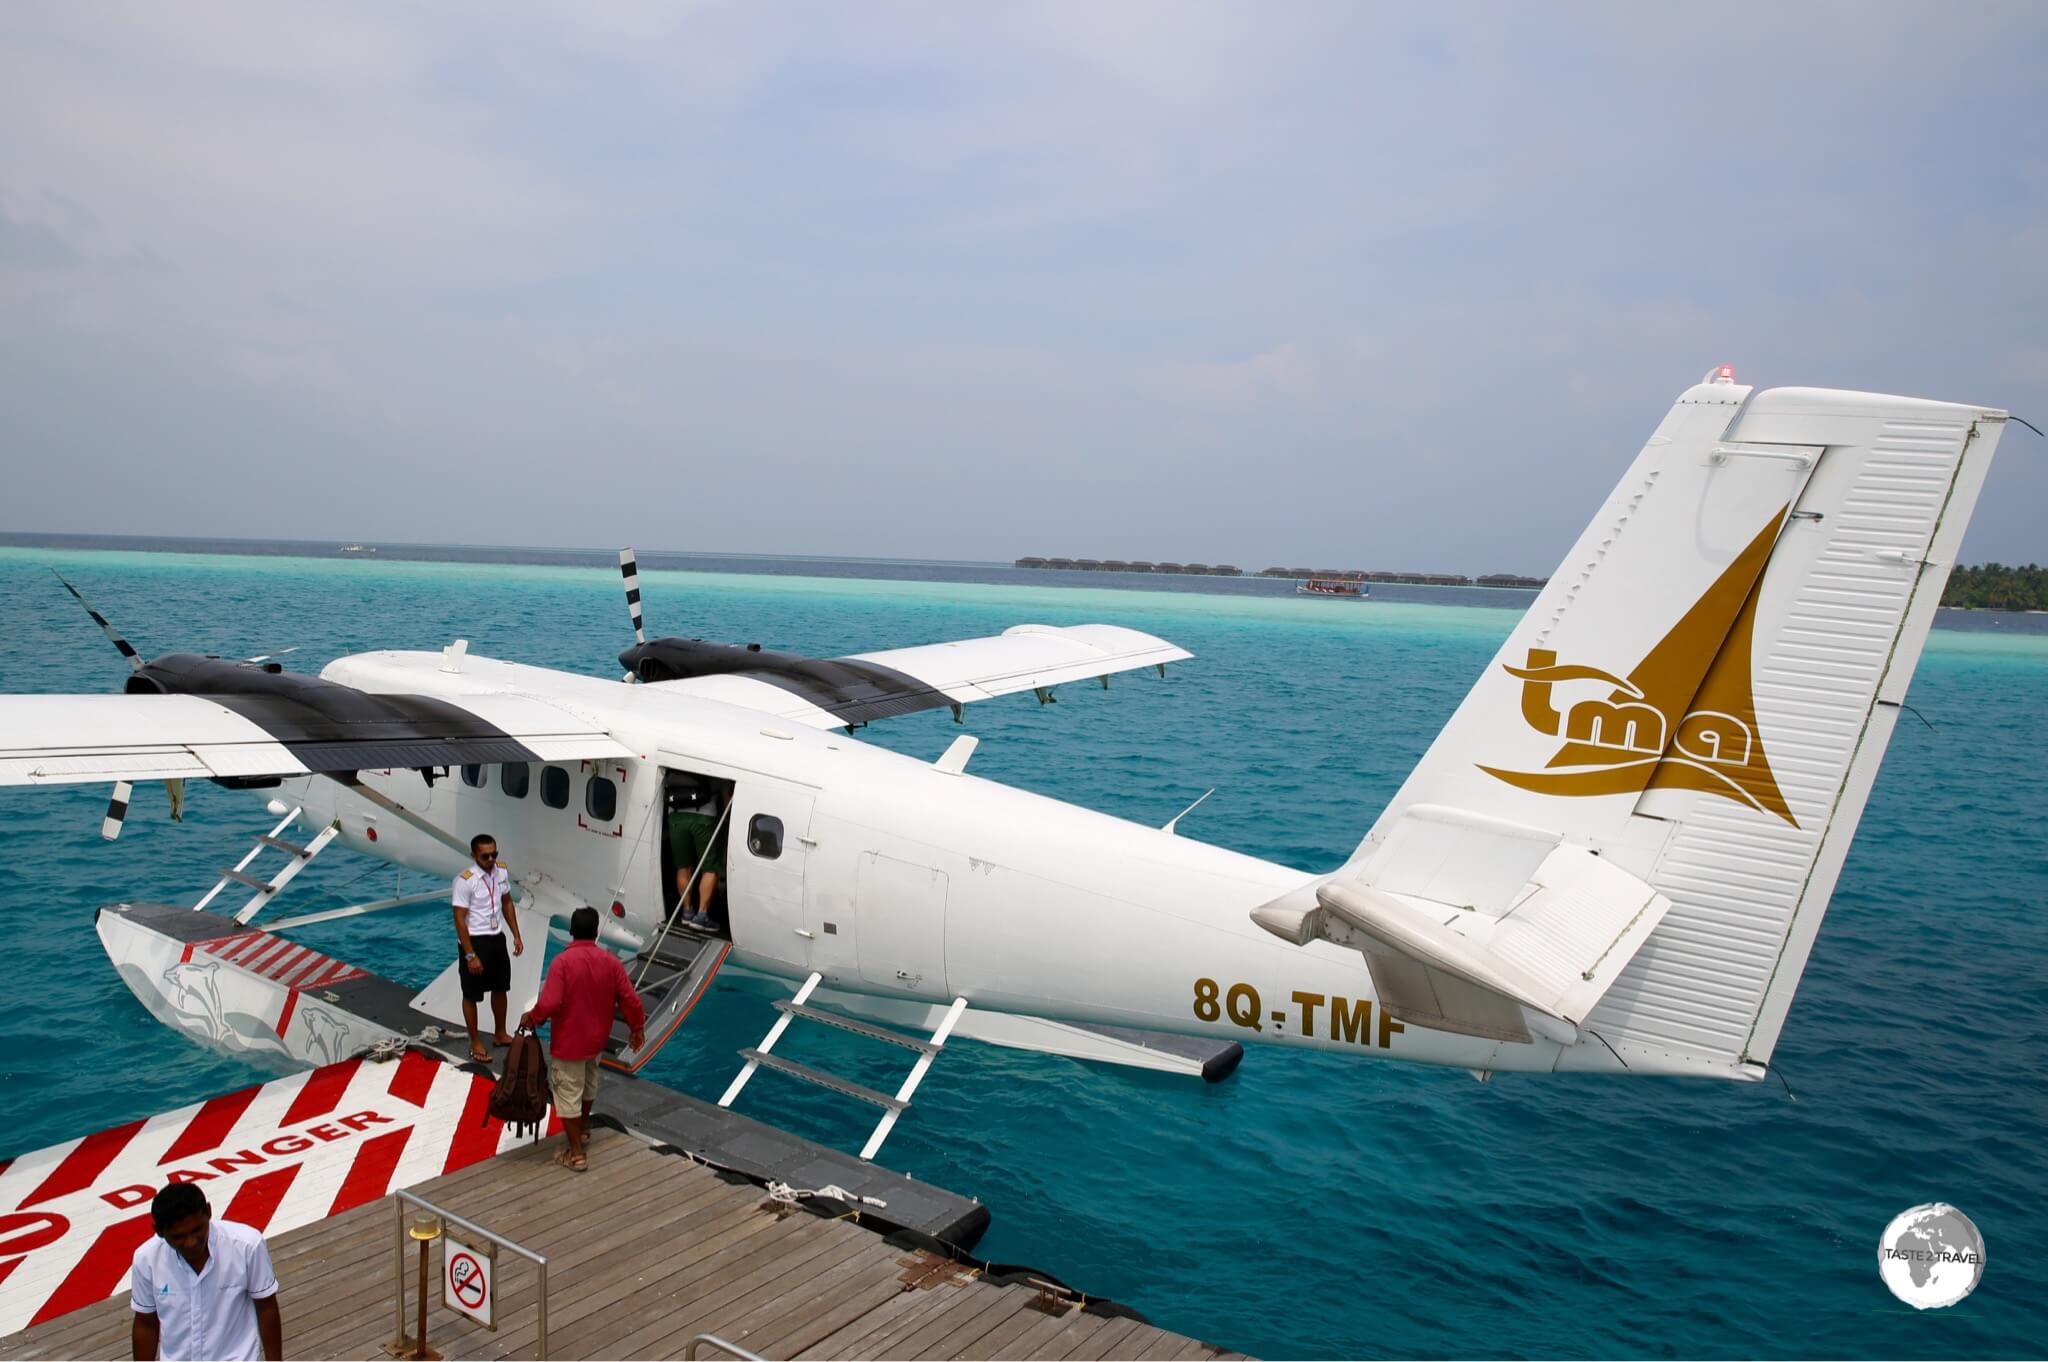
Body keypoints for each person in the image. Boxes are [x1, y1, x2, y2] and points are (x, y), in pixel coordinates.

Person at [519, 906, 645, 1173]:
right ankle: (584, 1130)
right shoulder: (611, 963)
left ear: (572, 931)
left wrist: (534, 1017)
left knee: (567, 1095)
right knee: (589, 1086)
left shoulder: (563, 963)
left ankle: (575, 1154)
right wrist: (637, 1029)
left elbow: (551, 1001)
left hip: (569, 1044)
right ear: (595, 931)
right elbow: (631, 1000)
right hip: (596, 1042)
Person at [130, 1184, 282, 1362]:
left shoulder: (247, 1246)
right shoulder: (145, 1259)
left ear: (209, 1212)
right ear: (159, 1232)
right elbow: (146, 1324)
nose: (191, 1242)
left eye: (197, 1230)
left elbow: (266, 1307)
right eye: (178, 1237)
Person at [453, 833, 524, 1064]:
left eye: (495, 854)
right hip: (475, 940)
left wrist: (516, 934)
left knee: (501, 987)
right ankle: (475, 1042)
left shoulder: (501, 871)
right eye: (485, 856)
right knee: (471, 994)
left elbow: (506, 902)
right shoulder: (465, 880)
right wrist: (470, 954)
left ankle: (500, 1033)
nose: (491, 859)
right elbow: (460, 919)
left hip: (496, 938)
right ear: (474, 855)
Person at [667, 783, 729, 929]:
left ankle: (687, 912)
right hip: (705, 816)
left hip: (676, 814)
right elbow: (726, 794)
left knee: (683, 866)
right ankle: (701, 916)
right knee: (710, 867)